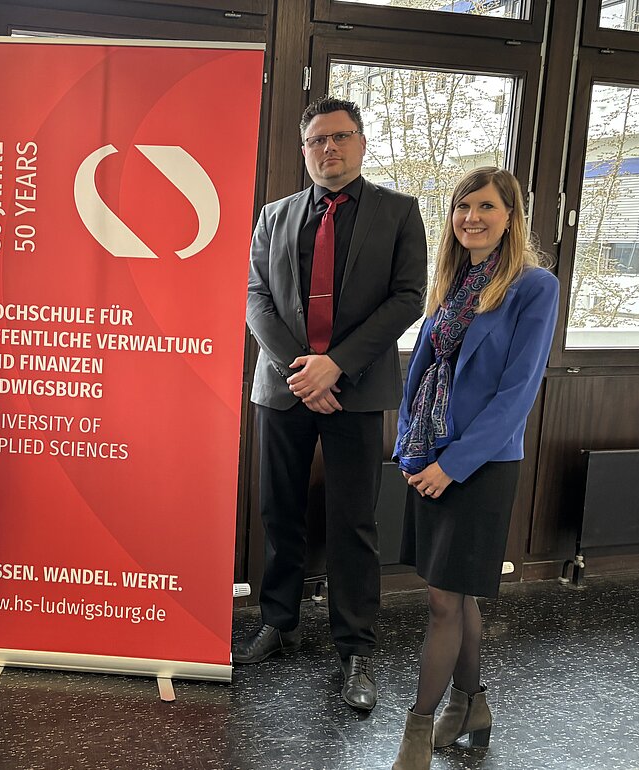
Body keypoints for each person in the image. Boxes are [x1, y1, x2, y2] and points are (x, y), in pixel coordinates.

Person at [238, 95, 428, 711]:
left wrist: (336, 366)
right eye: (317, 139)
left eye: (340, 136)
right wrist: (303, 372)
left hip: (357, 389)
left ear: (361, 143)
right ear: (305, 150)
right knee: (279, 509)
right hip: (284, 388)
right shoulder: (275, 215)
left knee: (354, 520)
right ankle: (278, 621)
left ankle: (356, 648)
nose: (329, 148)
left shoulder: (399, 212)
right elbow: (255, 297)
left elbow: (408, 297)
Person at [390, 167, 559, 769]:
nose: (473, 217)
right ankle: (471, 704)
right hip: (429, 456)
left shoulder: (534, 287)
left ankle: (417, 729)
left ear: (511, 217)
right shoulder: (453, 282)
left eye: (486, 206)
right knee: (454, 596)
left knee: (444, 600)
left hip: (480, 465)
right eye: (464, 207)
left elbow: (517, 394)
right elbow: (421, 371)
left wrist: (453, 466)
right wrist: (411, 448)